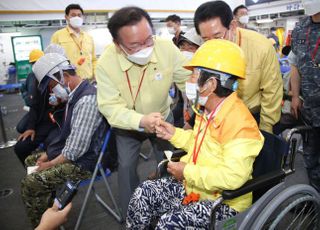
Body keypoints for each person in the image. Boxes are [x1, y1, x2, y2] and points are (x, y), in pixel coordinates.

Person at [126, 39, 264, 229]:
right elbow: (199, 143)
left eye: (194, 75)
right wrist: (174, 134)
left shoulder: (240, 124)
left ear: (211, 84)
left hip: (224, 203)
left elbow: (233, 177)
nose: (189, 80)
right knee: (144, 192)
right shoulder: (206, 109)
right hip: (196, 188)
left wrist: (186, 171)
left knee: (168, 223)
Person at [95, 6, 191, 216]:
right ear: (118, 45)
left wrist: (198, 104)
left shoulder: (166, 48)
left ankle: (171, 209)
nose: (145, 48)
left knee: (169, 162)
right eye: (135, 45)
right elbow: (110, 107)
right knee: (127, 167)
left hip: (162, 117)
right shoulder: (105, 64)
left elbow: (186, 80)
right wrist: (140, 120)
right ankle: (133, 215)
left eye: (148, 40)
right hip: (128, 125)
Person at [21, 53, 105, 227]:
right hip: (75, 156)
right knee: (31, 161)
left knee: (30, 182)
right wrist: (48, 154)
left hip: (84, 164)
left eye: (52, 85)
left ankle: (46, 223)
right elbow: (67, 138)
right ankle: (49, 207)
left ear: (64, 76)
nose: (52, 91)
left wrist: (50, 163)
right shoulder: (74, 96)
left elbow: (74, 151)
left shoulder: (86, 100)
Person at [194, 0, 283, 134]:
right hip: (218, 118)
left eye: (218, 36)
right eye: (206, 39)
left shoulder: (260, 47)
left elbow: (272, 92)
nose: (213, 45)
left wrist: (266, 130)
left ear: (233, 26)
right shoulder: (205, 51)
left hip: (253, 117)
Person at [290, 0, 320, 191]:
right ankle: (315, 196)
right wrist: (295, 95)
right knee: (310, 153)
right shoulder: (301, 28)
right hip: (309, 106)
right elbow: (294, 63)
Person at [14, 49, 62, 166]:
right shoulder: (35, 79)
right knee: (20, 147)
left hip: (60, 124)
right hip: (43, 121)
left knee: (50, 145)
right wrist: (31, 127)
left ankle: (48, 175)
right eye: (34, 64)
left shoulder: (64, 80)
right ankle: (34, 175)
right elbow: (34, 105)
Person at [51, 4, 97, 80]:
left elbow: (94, 60)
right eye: (73, 15)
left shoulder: (88, 37)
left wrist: (96, 74)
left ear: (82, 17)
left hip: (89, 81)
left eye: (79, 15)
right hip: (69, 83)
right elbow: (53, 61)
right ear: (66, 17)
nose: (77, 17)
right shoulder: (57, 36)